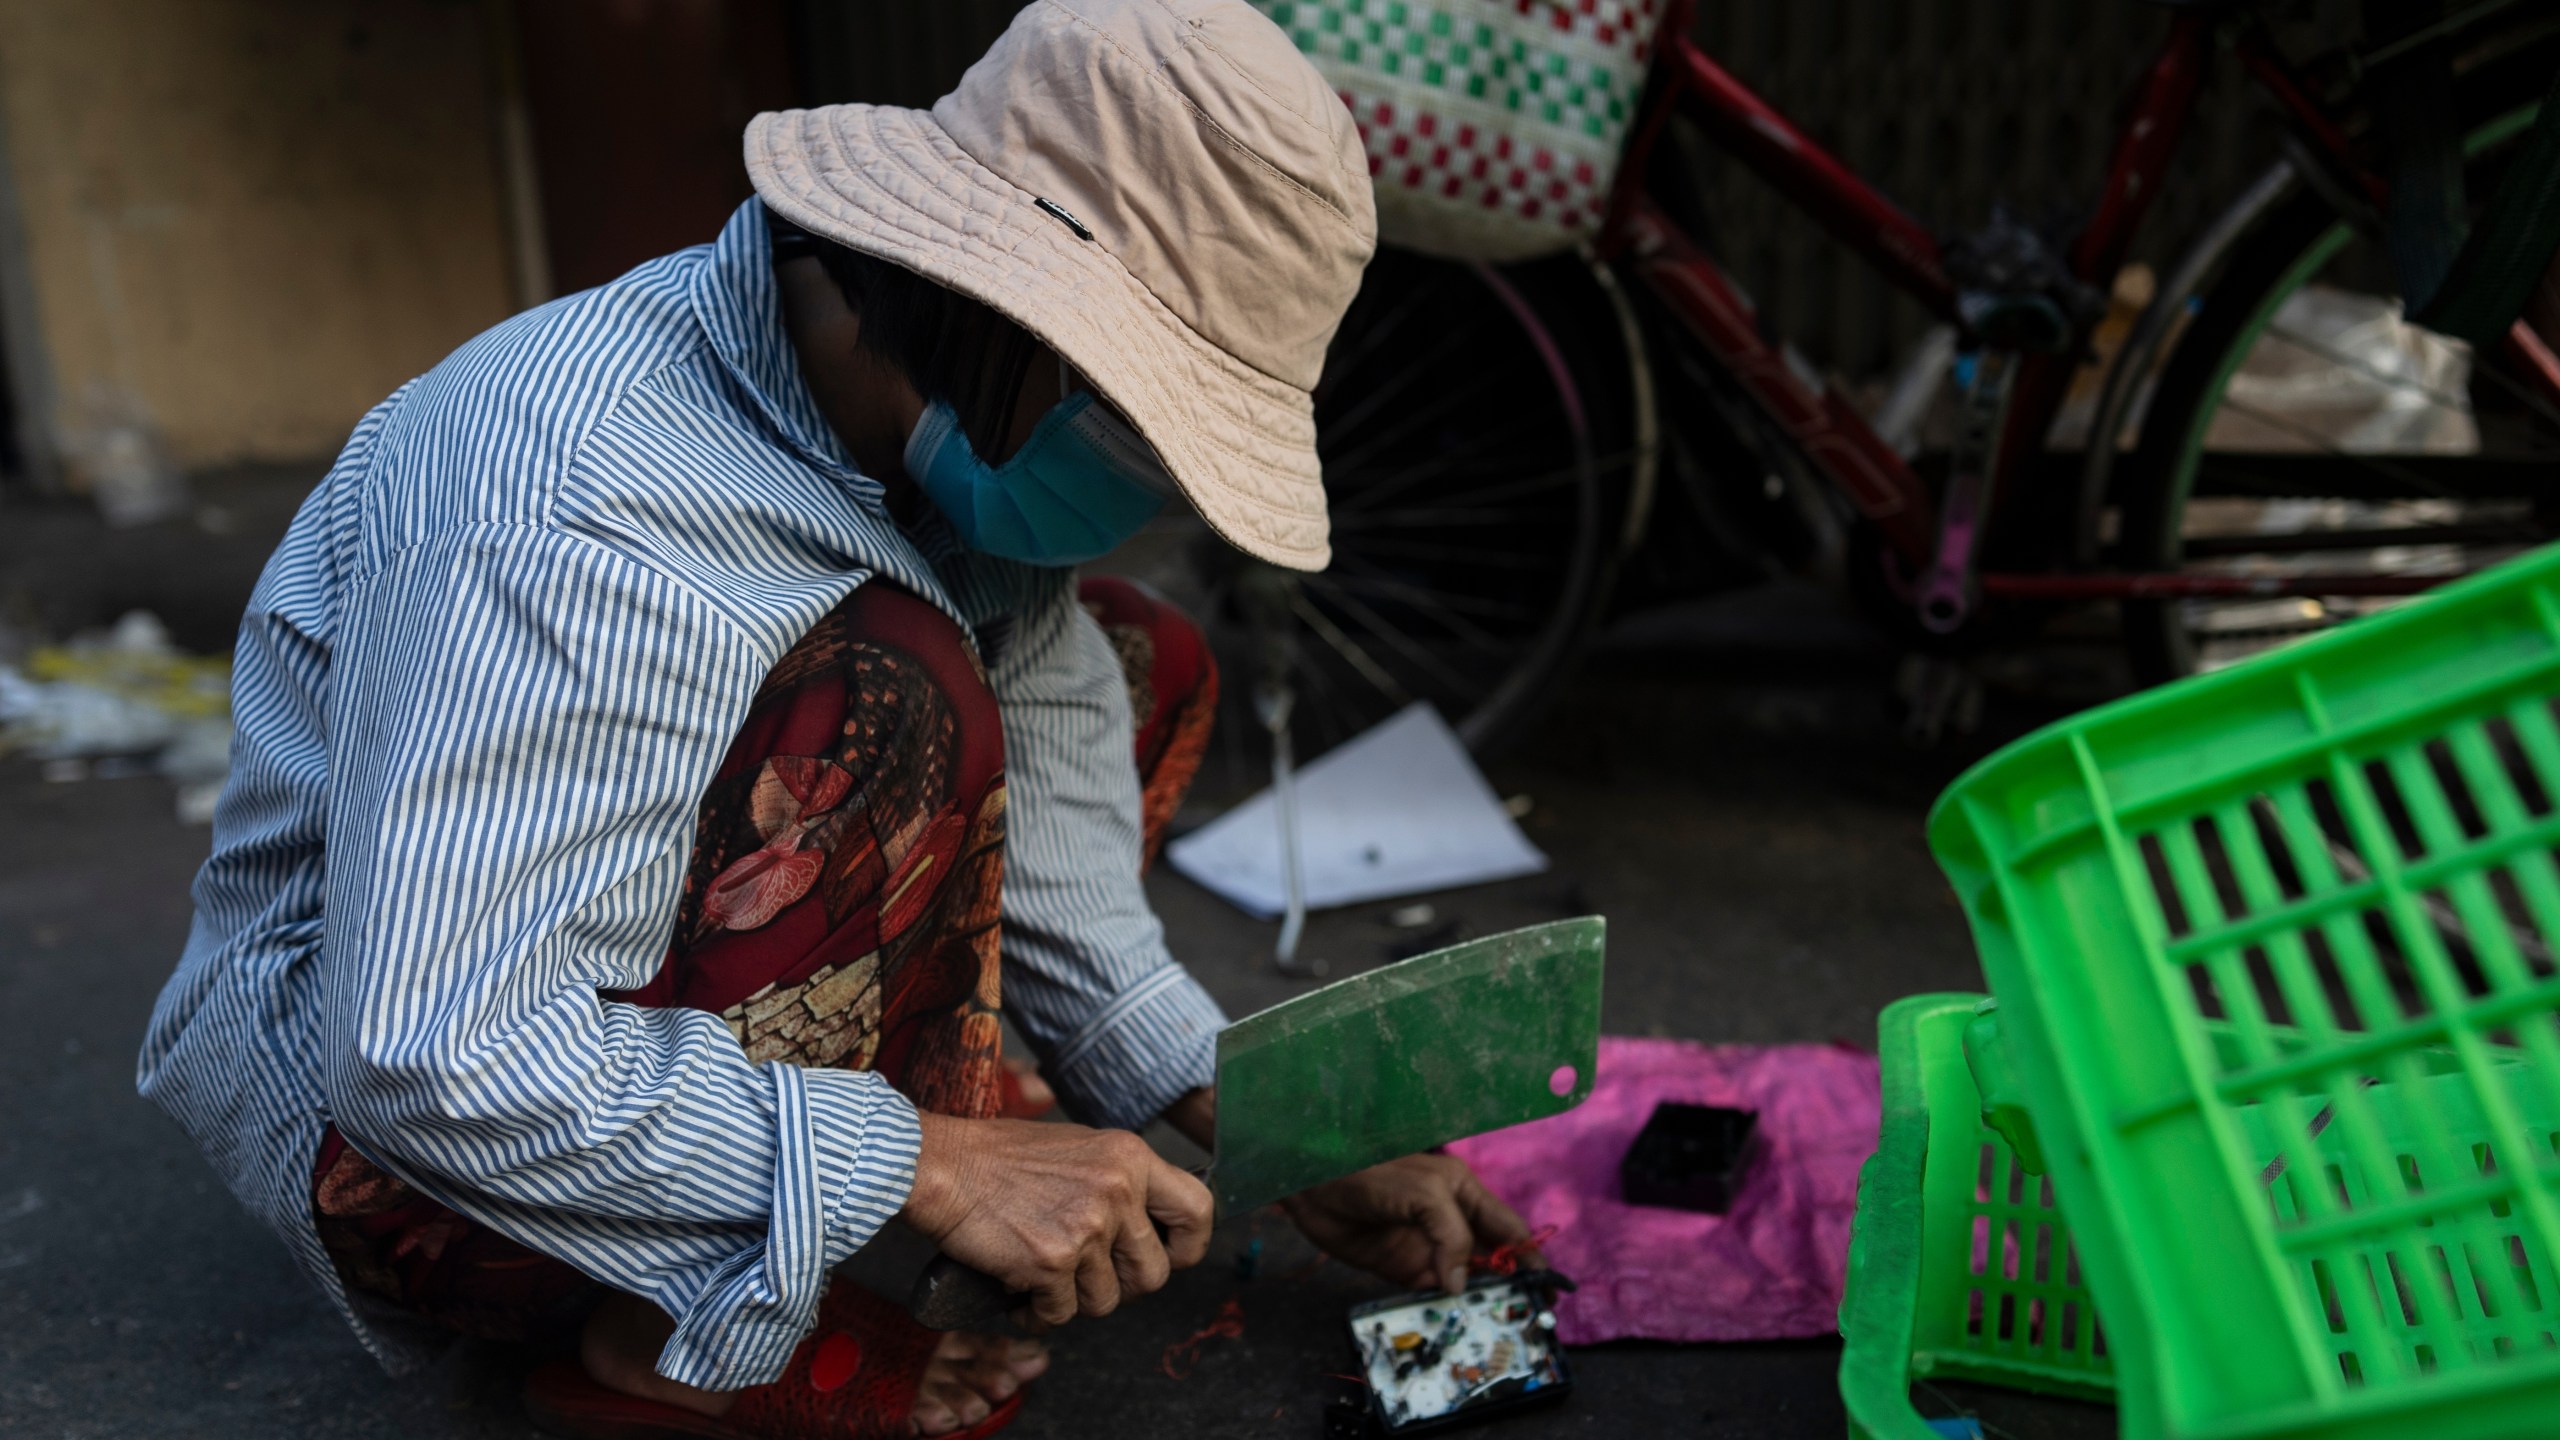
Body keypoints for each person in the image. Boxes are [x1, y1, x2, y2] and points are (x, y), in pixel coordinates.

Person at [137, 2, 1536, 1437]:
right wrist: (932, 1165)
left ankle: (824, 1146)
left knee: (1129, 653)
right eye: (1136, 430)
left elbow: (1058, 850)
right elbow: (433, 1056)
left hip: (570, 1016)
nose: (1146, 492)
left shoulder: (930, 435)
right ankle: (649, 1320)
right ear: (992, 305)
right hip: (407, 1154)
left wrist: (1263, 1121)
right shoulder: (576, 507)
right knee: (893, 684)